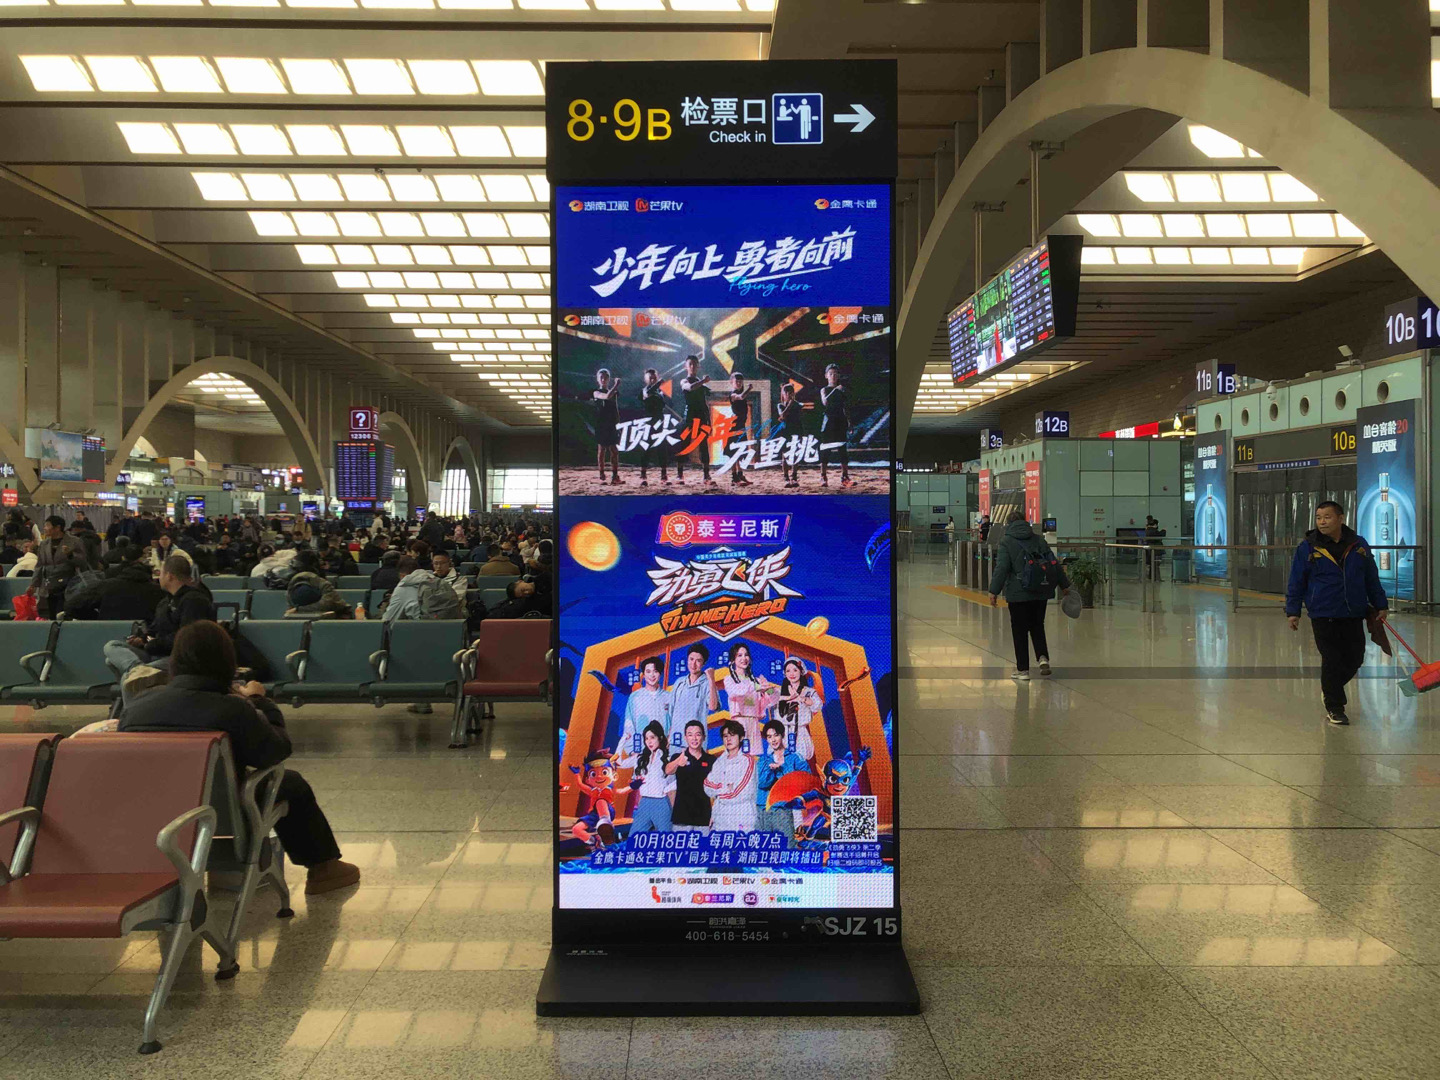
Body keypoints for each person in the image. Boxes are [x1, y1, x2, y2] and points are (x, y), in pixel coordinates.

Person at [119, 620, 360, 895]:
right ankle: (323, 870)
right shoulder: (232, 709)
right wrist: (259, 702)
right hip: (220, 813)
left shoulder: (137, 708)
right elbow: (275, 752)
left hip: (157, 821)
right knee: (290, 783)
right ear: (226, 662)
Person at [1285, 500, 1388, 725]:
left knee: (1355, 658)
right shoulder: (1308, 547)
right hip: (1323, 613)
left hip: (1353, 612)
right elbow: (1297, 580)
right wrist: (1293, 610)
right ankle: (1335, 706)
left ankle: (1330, 688)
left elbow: (1371, 577)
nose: (1322, 522)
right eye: (1318, 518)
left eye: (1327, 517)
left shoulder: (1358, 545)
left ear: (1341, 518)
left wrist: (1381, 604)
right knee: (1332, 659)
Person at [105, 555, 217, 694]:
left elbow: (186, 638)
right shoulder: (166, 601)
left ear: (169, 576)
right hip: (158, 652)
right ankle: (138, 670)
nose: (158, 577)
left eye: (161, 573)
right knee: (112, 647)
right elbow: (155, 629)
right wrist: (143, 638)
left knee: (127, 677)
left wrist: (153, 644)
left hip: (179, 658)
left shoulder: (194, 600)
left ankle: (137, 686)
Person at [988, 510, 1071, 681]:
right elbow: (1053, 563)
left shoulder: (1006, 541)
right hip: (1041, 591)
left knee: (1019, 630)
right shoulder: (1039, 539)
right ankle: (1043, 658)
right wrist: (1065, 585)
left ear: (1008, 524)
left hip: (1018, 593)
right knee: (1037, 625)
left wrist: (994, 590)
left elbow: (1002, 568)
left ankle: (1023, 670)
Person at [65, 543, 165, 622]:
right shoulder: (158, 592)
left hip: (107, 632)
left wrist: (96, 619)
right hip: (143, 636)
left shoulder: (107, 585)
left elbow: (72, 605)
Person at [755, 719, 808, 846]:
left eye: (776, 735)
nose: (773, 740)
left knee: (786, 848)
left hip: (782, 809)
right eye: (769, 737)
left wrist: (782, 768)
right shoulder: (764, 760)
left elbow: (805, 781)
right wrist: (771, 770)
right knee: (762, 850)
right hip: (762, 808)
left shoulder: (795, 757)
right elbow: (761, 783)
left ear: (782, 735)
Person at [703, 719, 757, 833]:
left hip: (741, 819)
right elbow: (707, 786)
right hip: (720, 820)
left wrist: (718, 789)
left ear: (741, 738)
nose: (728, 739)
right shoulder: (719, 761)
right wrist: (727, 787)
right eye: (725, 736)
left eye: (732, 735)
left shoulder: (747, 761)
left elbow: (741, 792)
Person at [28, 515, 87, 619]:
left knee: (65, 615)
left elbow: (82, 562)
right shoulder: (44, 544)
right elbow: (40, 565)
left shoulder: (74, 541)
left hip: (68, 585)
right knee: (51, 616)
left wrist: (70, 555)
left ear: (57, 528)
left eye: (47, 525)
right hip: (49, 586)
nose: (44, 528)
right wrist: (33, 584)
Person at [623, 721, 675, 835]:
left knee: (666, 839)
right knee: (634, 837)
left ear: (660, 738)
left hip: (661, 802)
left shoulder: (668, 758)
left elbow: (680, 779)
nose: (649, 741)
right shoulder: (641, 758)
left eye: (652, 737)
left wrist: (666, 788)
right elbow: (619, 763)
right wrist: (623, 740)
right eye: (646, 738)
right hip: (645, 802)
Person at [721, 642, 774, 754]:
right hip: (739, 721)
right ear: (733, 660)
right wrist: (756, 687)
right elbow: (735, 692)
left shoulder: (756, 681)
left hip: (753, 721)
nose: (744, 658)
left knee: (754, 755)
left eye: (746, 655)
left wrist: (769, 689)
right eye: (739, 655)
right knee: (739, 754)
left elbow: (770, 699)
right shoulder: (729, 679)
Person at [665, 719, 713, 834]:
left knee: (703, 846)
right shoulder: (678, 757)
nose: (694, 738)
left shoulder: (711, 760)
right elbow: (667, 770)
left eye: (698, 734)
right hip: (681, 818)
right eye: (690, 735)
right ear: (685, 738)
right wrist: (678, 761)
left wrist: (715, 814)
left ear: (704, 737)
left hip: (704, 818)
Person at [618, 656, 672, 756]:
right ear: (643, 674)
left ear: (660, 673)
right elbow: (629, 725)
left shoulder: (669, 697)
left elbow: (674, 725)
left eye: (655, 671)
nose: (652, 675)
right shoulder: (635, 697)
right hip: (641, 753)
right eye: (648, 671)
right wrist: (633, 751)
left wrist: (670, 747)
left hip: (664, 753)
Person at [676, 354, 715, 487]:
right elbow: (690, 388)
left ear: (698, 366)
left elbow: (704, 403)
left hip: (701, 417)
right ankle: (680, 474)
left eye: (695, 364)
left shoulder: (701, 383)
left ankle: (706, 475)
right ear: (686, 366)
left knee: (703, 446)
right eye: (690, 364)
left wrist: (709, 421)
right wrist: (703, 381)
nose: (692, 366)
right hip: (690, 417)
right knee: (684, 445)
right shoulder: (684, 381)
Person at [669, 643, 718, 747]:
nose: (693, 664)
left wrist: (711, 679)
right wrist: (668, 736)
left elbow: (713, 707)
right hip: (676, 739)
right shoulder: (679, 683)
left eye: (698, 661)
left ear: (704, 663)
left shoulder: (708, 684)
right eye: (691, 659)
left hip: (696, 742)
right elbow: (670, 711)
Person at [774, 657, 820, 761]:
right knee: (781, 763)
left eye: (795, 670)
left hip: (800, 733)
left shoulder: (809, 692)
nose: (792, 673)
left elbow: (817, 705)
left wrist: (800, 698)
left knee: (799, 761)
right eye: (788, 671)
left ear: (801, 671)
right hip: (782, 733)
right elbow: (767, 696)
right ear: (785, 673)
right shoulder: (779, 691)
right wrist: (785, 697)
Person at [818, 363, 852, 488]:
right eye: (830, 373)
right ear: (826, 375)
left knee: (842, 451)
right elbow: (825, 402)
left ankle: (845, 477)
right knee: (825, 450)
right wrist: (836, 390)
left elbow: (845, 407)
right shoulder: (824, 389)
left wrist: (849, 422)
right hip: (828, 422)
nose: (833, 376)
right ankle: (823, 476)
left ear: (838, 375)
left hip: (840, 421)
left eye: (835, 373)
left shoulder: (843, 389)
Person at [591, 367, 623, 486]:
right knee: (602, 449)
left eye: (605, 377)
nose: (603, 379)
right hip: (601, 423)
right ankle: (601, 474)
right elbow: (606, 396)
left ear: (608, 379)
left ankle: (615, 476)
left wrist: (618, 421)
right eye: (601, 377)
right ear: (598, 379)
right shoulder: (596, 392)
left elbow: (615, 406)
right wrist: (616, 385)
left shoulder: (613, 392)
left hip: (611, 424)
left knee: (614, 450)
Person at [726, 371, 753, 486]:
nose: (739, 383)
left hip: (741, 426)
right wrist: (749, 389)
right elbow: (741, 397)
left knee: (740, 451)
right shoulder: (733, 395)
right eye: (736, 381)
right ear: (731, 382)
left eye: (740, 381)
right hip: (734, 426)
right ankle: (734, 477)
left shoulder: (741, 393)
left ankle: (740, 474)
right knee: (733, 452)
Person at [776, 382, 804, 489]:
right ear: (783, 394)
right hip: (785, 431)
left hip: (796, 430)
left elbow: (798, 415)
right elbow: (782, 415)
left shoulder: (798, 404)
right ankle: (786, 477)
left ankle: (794, 476)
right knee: (785, 455)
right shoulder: (780, 405)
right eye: (786, 392)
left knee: (795, 453)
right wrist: (789, 405)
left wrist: (792, 404)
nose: (788, 394)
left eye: (790, 392)